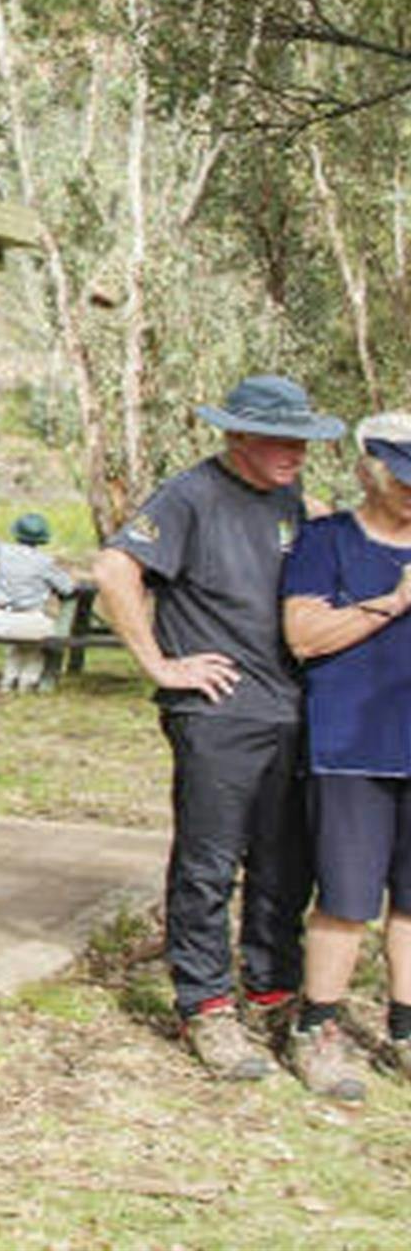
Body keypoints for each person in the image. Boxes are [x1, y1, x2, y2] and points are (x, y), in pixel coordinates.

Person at [92, 374, 341, 1079]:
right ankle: (205, 1005)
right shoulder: (192, 495)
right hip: (219, 714)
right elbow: (113, 570)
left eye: (302, 439)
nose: (294, 451)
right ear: (235, 436)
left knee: (284, 861)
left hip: (290, 709)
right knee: (208, 864)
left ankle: (272, 989)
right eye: (277, 438)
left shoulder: (296, 501)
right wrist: (161, 665)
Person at [278, 411, 411, 1098]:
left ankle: (404, 1030)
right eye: (401, 478)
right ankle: (317, 1028)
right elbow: (303, 636)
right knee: (346, 900)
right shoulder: (327, 540)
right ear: (368, 470)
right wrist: (391, 603)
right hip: (352, 749)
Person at [0, 513, 79, 693]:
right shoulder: (45, 562)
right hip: (29, 620)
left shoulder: (3, 552)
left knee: (19, 642)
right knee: (41, 639)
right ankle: (28, 680)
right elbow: (68, 589)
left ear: (16, 533)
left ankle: (8, 680)